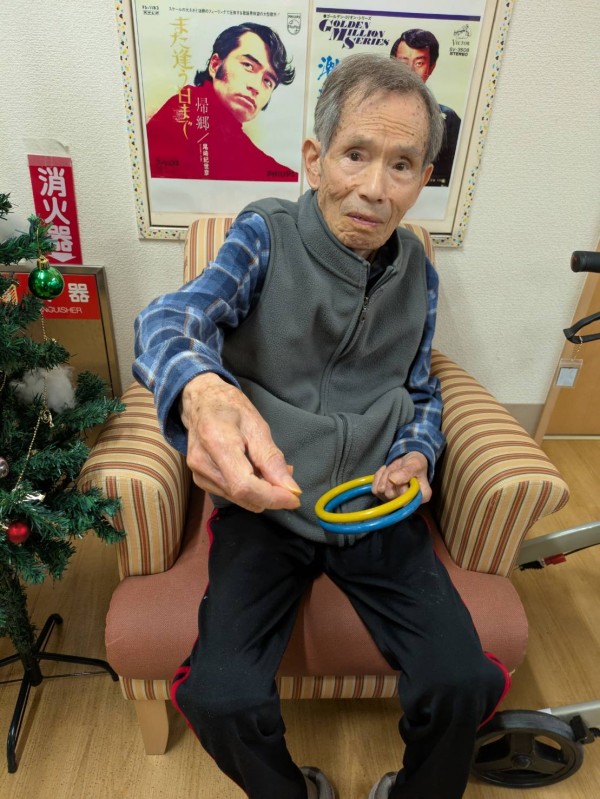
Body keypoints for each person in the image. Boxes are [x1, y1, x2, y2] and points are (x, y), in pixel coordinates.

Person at [134, 53, 510, 799]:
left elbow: (420, 389)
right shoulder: (264, 234)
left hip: (374, 504)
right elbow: (170, 319)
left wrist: (416, 453)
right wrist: (202, 391)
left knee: (463, 680)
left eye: (401, 165)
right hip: (267, 506)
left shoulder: (420, 272)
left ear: (423, 178)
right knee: (219, 696)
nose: (375, 188)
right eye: (355, 155)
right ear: (315, 158)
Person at [146, 22, 298, 182]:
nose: (255, 87)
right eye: (248, 66)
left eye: (267, 81)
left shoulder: (234, 136)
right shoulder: (188, 106)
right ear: (215, 65)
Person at [391, 29, 462, 187]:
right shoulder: (368, 111)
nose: (410, 71)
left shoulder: (448, 119)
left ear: (431, 68)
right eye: (403, 62)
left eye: (419, 63)